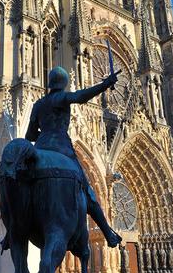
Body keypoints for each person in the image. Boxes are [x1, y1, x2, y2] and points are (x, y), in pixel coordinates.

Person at [24, 66, 123, 249]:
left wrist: (44, 137)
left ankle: (12, 231)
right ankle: (107, 232)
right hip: (62, 148)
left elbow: (30, 135)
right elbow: (81, 96)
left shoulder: (38, 104)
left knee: (22, 182)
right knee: (88, 191)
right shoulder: (61, 97)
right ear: (63, 84)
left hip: (40, 147)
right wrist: (106, 84)